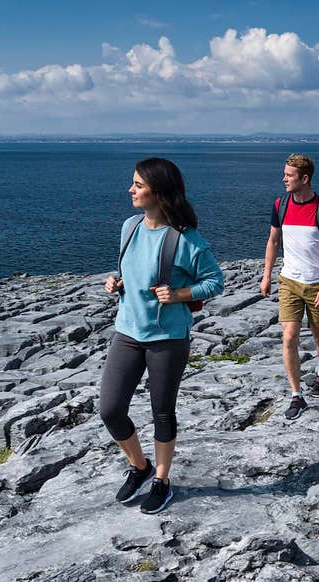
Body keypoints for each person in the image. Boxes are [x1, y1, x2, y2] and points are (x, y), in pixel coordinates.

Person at [101, 158, 224, 514]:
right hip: (127, 331)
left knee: (162, 412)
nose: (131, 190)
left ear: (159, 191)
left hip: (168, 337)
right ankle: (139, 466)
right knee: (110, 409)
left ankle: (162, 480)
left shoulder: (187, 239)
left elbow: (215, 281)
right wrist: (118, 282)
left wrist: (181, 295)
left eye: (138, 184)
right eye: (133, 183)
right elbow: (131, 269)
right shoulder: (130, 226)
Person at [259, 153, 319, 420]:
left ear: (304, 178)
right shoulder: (280, 205)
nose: (284, 178)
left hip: (318, 284)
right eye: (285, 174)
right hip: (289, 282)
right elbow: (273, 241)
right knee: (289, 336)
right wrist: (267, 275)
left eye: (289, 175)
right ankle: (296, 395)